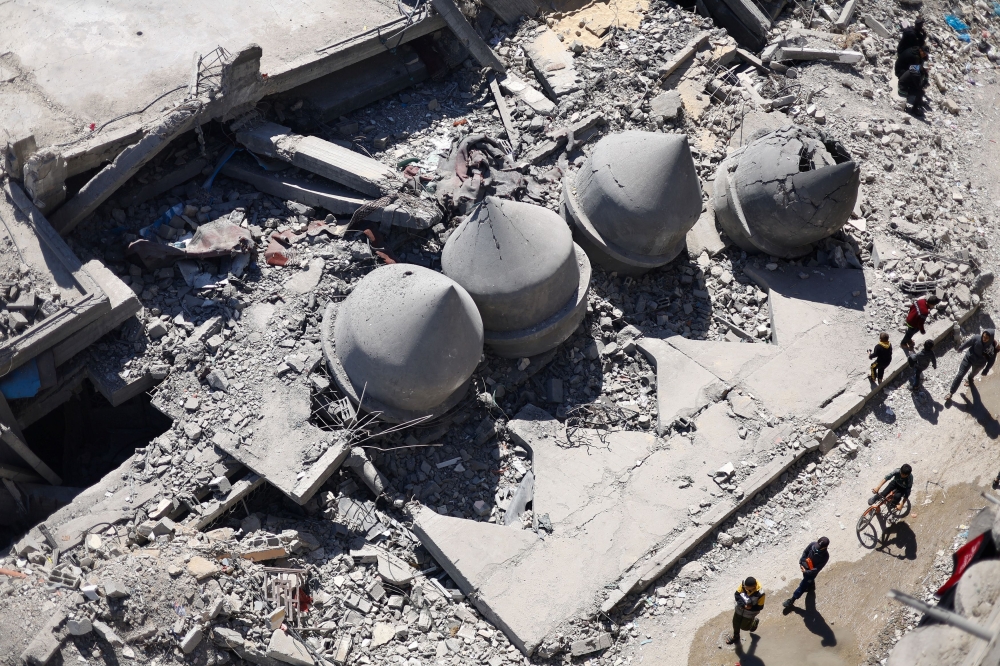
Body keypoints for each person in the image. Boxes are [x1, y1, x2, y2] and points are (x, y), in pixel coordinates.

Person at [945, 329, 998, 402]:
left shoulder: (992, 348)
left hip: (979, 364)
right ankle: (951, 393)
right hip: (969, 358)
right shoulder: (976, 338)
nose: (984, 339)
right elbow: (968, 343)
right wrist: (961, 348)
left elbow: (991, 360)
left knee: (973, 374)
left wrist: (986, 369)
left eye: (986, 338)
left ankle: (970, 379)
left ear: (990, 339)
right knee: (960, 375)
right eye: (983, 336)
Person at [782, 537, 830, 610]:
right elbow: (805, 552)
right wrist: (801, 562)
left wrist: (806, 571)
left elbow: (817, 569)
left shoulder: (825, 556)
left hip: (811, 573)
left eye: (819, 547)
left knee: (802, 586)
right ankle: (811, 586)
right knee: (807, 581)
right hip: (805, 567)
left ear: (824, 547)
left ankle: (792, 600)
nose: (816, 548)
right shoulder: (812, 545)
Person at [726, 577, 765, 646]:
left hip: (750, 613)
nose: (745, 589)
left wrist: (750, 608)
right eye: (745, 587)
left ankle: (754, 622)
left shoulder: (760, 593)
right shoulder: (744, 585)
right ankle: (736, 636)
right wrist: (744, 606)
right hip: (739, 609)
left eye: (747, 588)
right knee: (735, 623)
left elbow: (760, 607)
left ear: (753, 587)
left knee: (744, 627)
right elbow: (737, 595)